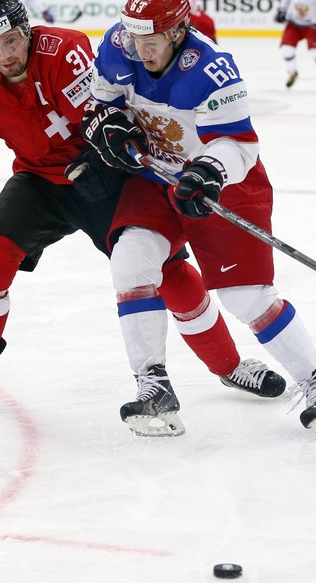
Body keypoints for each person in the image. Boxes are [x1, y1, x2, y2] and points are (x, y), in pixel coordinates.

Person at [0, 0, 285, 436]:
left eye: (10, 40)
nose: (4, 53)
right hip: (39, 182)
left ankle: (230, 365)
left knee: (169, 273)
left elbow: (110, 114)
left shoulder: (66, 52)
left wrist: (105, 159)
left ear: (26, 32)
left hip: (102, 174)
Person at [82, 0, 316, 433]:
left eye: (150, 41)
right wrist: (107, 124)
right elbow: (102, 103)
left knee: (246, 296)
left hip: (222, 183)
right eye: (134, 37)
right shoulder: (119, 44)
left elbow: (240, 146)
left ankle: (314, 378)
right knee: (131, 258)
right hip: (156, 177)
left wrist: (209, 170)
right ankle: (152, 385)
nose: (140, 49)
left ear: (175, 32)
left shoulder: (212, 69)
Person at [274, 0, 316, 88]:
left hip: (313, 25)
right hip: (294, 24)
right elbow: (284, 2)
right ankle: (292, 72)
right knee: (287, 49)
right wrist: (281, 10)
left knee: (314, 52)